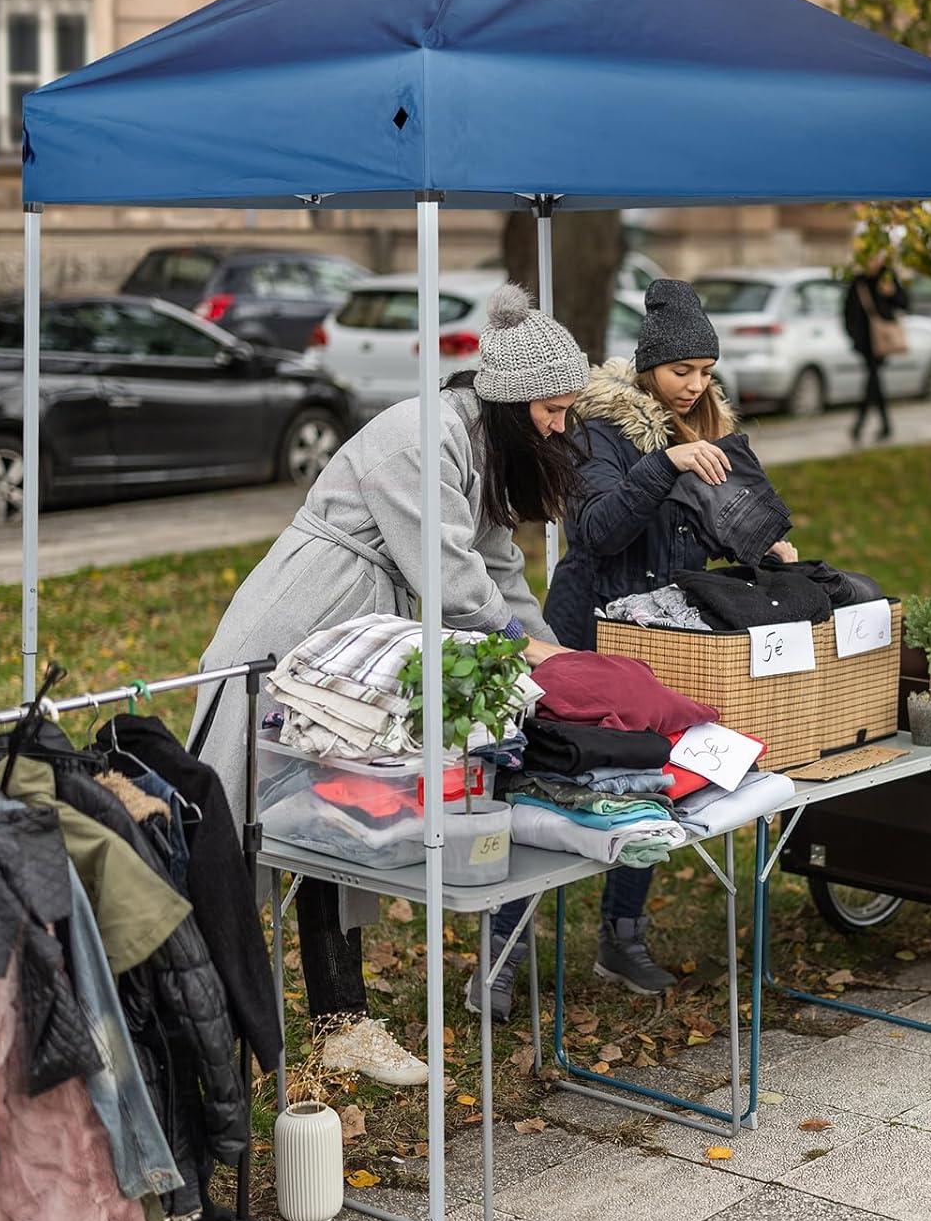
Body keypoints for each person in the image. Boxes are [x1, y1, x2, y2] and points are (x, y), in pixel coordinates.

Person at [188, 283, 587, 1080]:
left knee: (334, 815)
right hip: (299, 620)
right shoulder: (420, 438)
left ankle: (342, 1021)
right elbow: (448, 578)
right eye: (553, 410)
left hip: (362, 638)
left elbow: (497, 567)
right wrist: (522, 649)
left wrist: (557, 657)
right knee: (235, 823)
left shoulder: (480, 446)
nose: (561, 426)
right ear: (513, 402)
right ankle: (200, 1018)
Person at [468, 278, 794, 1022]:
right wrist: (665, 466)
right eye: (682, 371)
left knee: (653, 780)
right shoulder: (597, 428)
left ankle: (622, 934)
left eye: (706, 372)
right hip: (585, 632)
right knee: (542, 782)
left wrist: (757, 540)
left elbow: (695, 533)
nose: (695, 385)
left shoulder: (704, 428)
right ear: (648, 367)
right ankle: (502, 951)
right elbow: (597, 529)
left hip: (662, 634)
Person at [844, 252, 910, 446]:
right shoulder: (858, 282)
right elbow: (847, 312)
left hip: (882, 341)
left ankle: (862, 425)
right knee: (874, 381)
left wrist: (892, 293)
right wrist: (854, 337)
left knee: (873, 379)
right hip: (864, 342)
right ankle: (881, 426)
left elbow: (905, 303)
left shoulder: (887, 278)